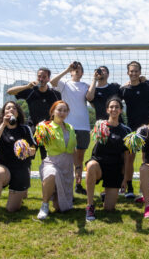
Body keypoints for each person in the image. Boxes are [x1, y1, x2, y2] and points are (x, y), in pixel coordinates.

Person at [0, 101, 36, 222]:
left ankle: (20, 193)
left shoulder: (25, 129)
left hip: (21, 169)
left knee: (12, 209)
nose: (11, 109)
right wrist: (3, 125)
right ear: (3, 113)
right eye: (8, 108)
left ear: (17, 113)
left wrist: (28, 150)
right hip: (4, 167)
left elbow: (34, 149)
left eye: (14, 108)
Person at [85, 97, 131, 221]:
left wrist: (125, 178)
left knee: (109, 209)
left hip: (114, 168)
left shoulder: (126, 131)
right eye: (111, 107)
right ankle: (90, 206)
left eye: (117, 107)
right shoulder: (100, 125)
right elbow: (95, 138)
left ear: (121, 110)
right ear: (107, 110)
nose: (114, 109)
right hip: (99, 164)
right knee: (90, 166)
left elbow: (127, 157)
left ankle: (106, 195)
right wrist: (100, 128)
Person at [50, 61, 90, 195]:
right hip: (68, 126)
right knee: (68, 157)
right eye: (74, 69)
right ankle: (66, 185)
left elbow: (91, 97)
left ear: (82, 72)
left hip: (83, 126)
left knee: (80, 157)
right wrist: (67, 69)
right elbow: (53, 81)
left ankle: (78, 185)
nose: (76, 71)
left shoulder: (86, 86)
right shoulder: (65, 84)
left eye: (79, 69)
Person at [7, 67, 61, 160]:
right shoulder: (30, 91)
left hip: (48, 132)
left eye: (44, 77)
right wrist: (27, 86)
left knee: (48, 160)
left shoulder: (55, 94)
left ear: (48, 79)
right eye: (39, 76)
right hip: (32, 130)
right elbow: (10, 91)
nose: (41, 79)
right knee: (26, 157)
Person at [119, 61, 149, 198]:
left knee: (146, 158)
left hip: (147, 128)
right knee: (129, 158)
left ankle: (144, 188)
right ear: (128, 73)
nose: (133, 73)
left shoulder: (146, 85)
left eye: (136, 71)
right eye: (131, 71)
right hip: (132, 129)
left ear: (140, 72)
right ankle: (129, 187)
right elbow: (114, 102)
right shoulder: (124, 89)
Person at [37, 100, 77, 220]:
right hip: (52, 162)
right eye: (59, 110)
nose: (62, 113)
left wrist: (78, 167)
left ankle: (55, 196)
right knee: (51, 174)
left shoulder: (70, 128)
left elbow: (73, 149)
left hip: (67, 165)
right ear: (53, 112)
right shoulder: (46, 127)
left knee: (61, 208)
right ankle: (44, 205)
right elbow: (37, 142)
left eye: (65, 110)